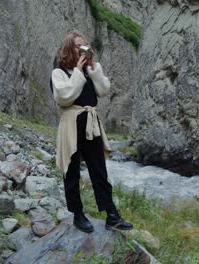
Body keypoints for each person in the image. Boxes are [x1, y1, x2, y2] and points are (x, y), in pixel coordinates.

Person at [51, 30, 133, 233]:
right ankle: (78, 214)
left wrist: (94, 67)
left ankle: (111, 215)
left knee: (99, 170)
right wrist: (78, 71)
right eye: (79, 46)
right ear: (70, 48)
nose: (83, 48)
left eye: (85, 45)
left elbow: (104, 90)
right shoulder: (59, 72)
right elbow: (64, 97)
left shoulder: (90, 70)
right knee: (71, 172)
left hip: (91, 121)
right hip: (71, 122)